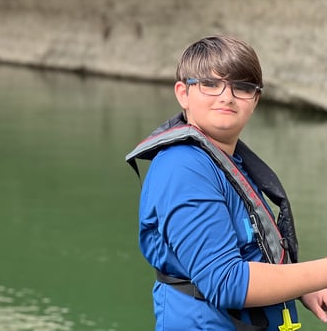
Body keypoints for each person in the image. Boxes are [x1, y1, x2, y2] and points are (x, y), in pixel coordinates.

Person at [125, 35, 327, 330]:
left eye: (242, 87)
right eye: (210, 84)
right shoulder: (183, 167)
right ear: (183, 93)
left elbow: (250, 249)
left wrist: (301, 286)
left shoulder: (226, 160)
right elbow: (225, 281)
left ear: (255, 99)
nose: (227, 96)